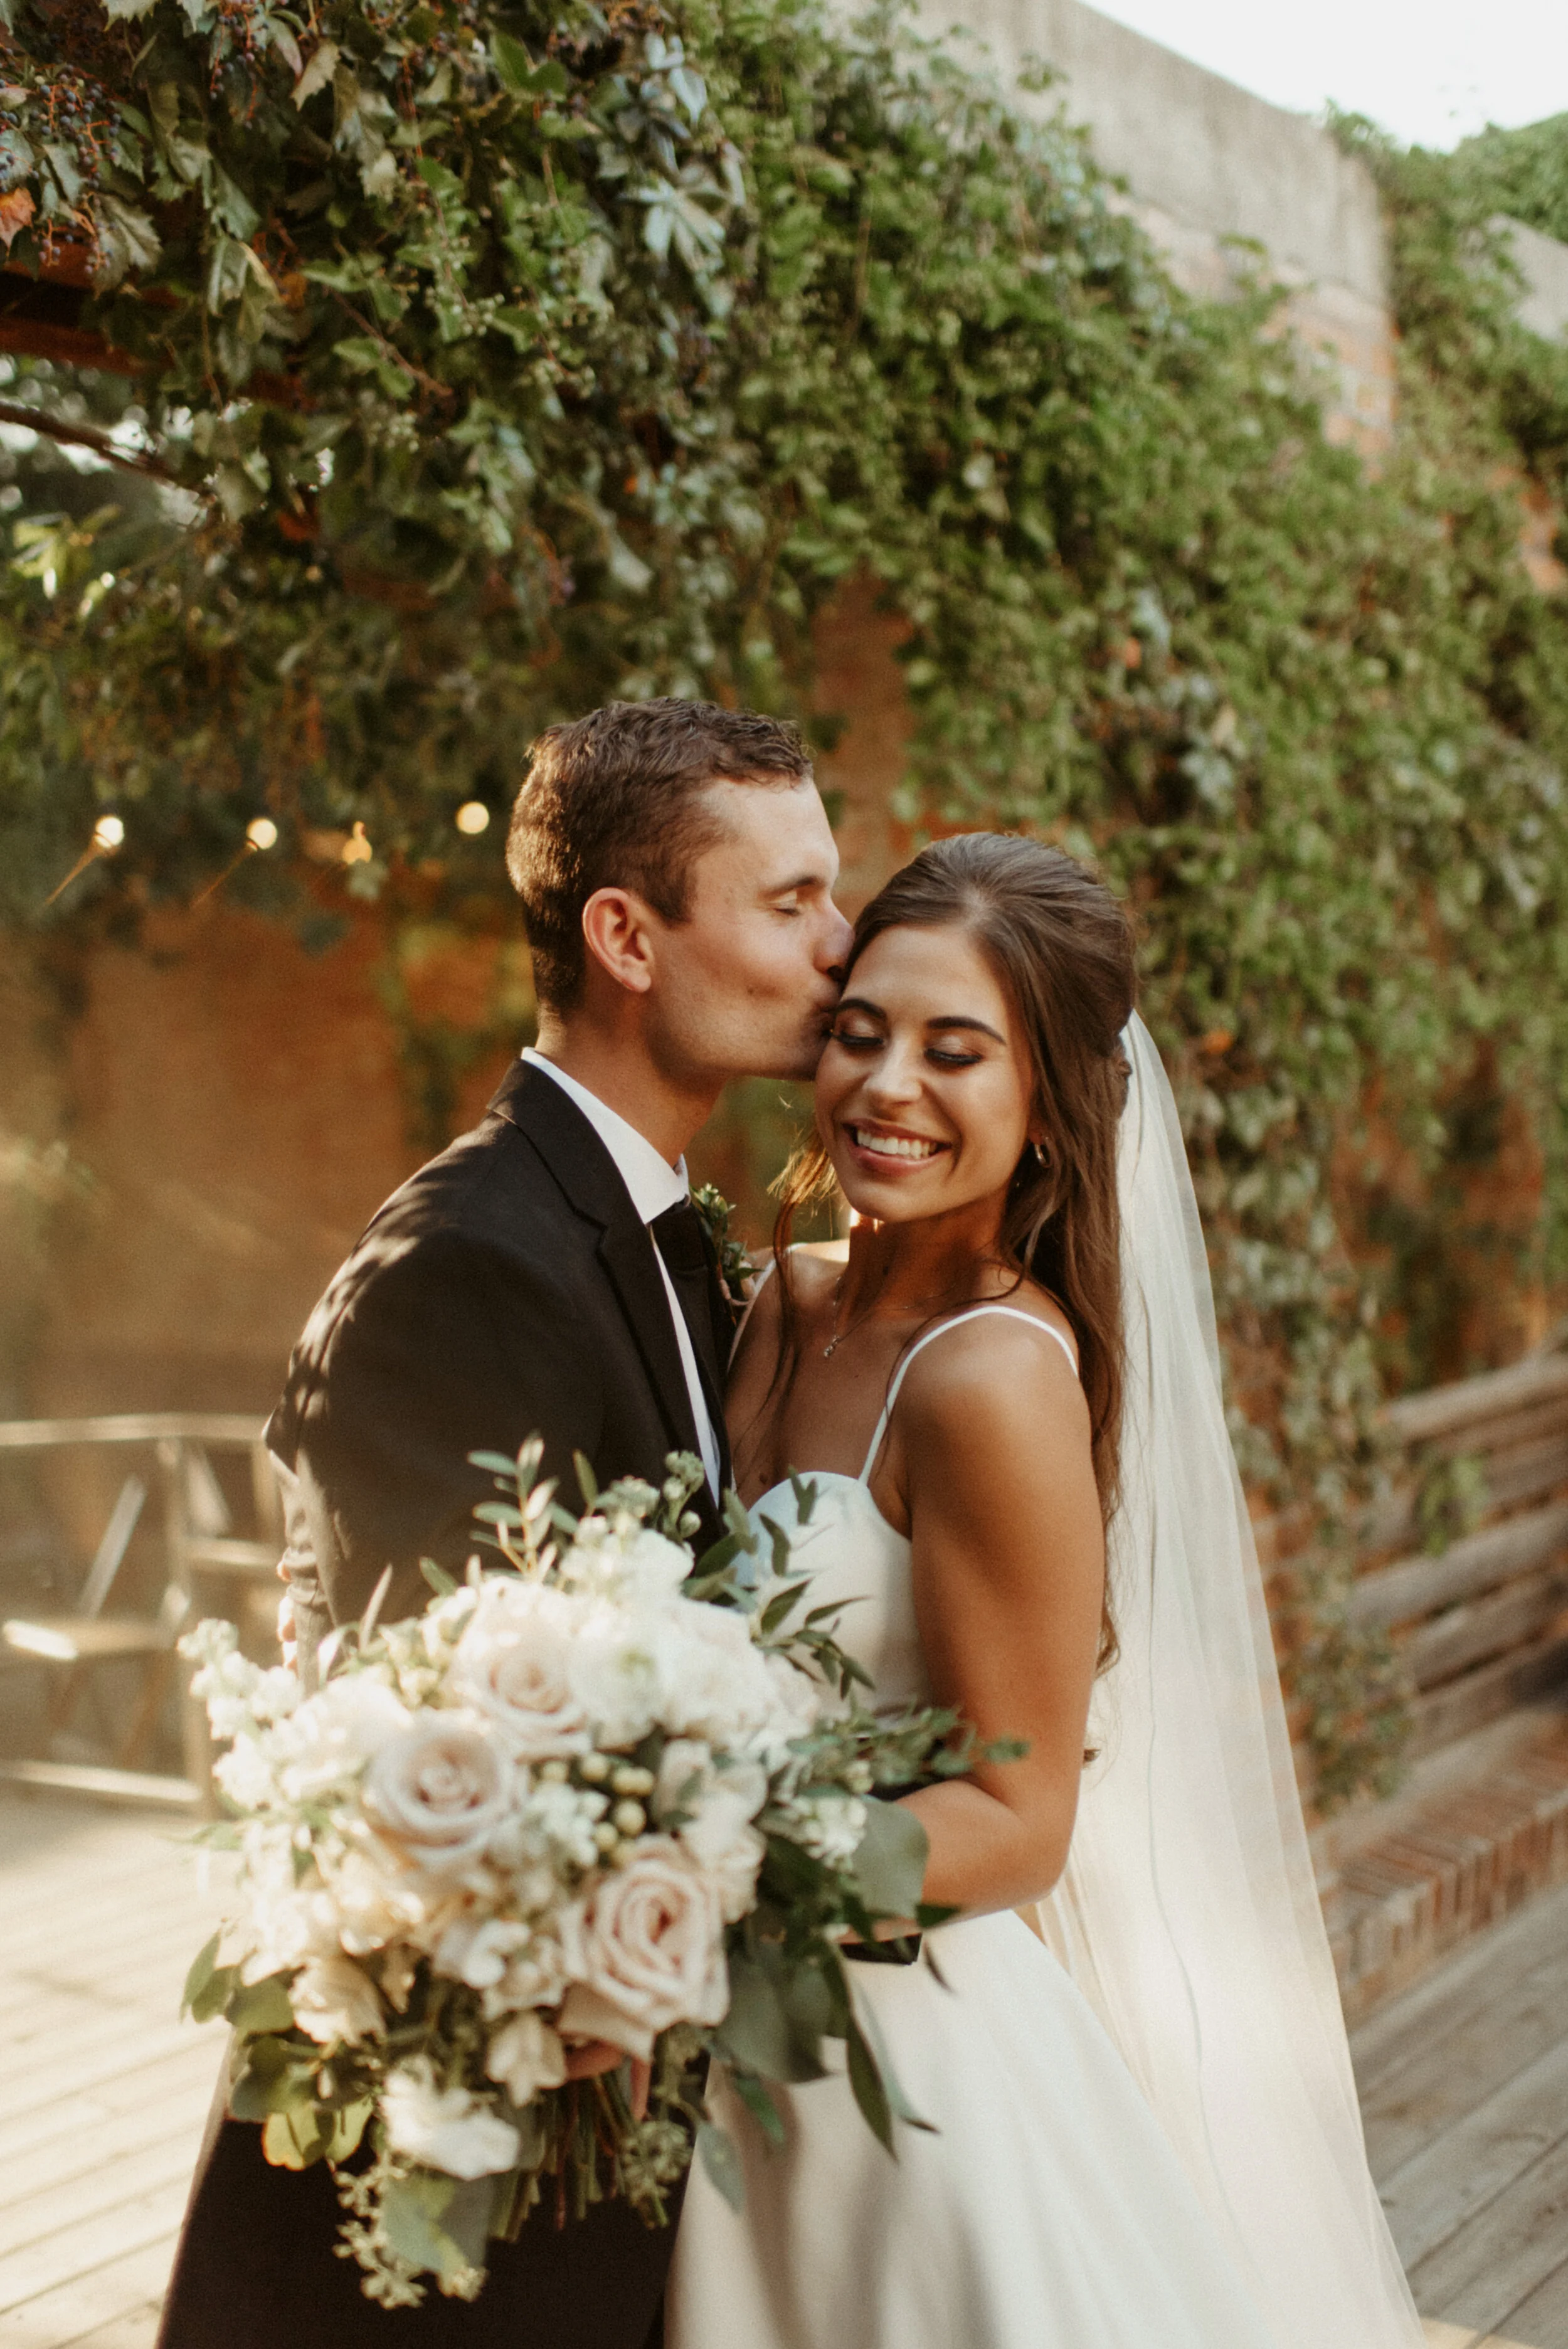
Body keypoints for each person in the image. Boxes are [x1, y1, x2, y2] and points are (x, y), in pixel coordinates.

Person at [666, 834, 1426, 2349]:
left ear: (1048, 1106)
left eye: (957, 1053)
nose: (888, 1087)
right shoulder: (786, 1300)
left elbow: (1017, 1825)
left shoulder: (993, 1381)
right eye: (863, 1031)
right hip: (711, 2047)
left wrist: (699, 1869)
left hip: (890, 2079)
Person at [156, 699, 853, 2349]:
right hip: (457, 2205)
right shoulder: (470, 1266)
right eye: (791, 901)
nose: (841, 947)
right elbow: (441, 1829)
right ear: (627, 933)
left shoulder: (651, 1229)